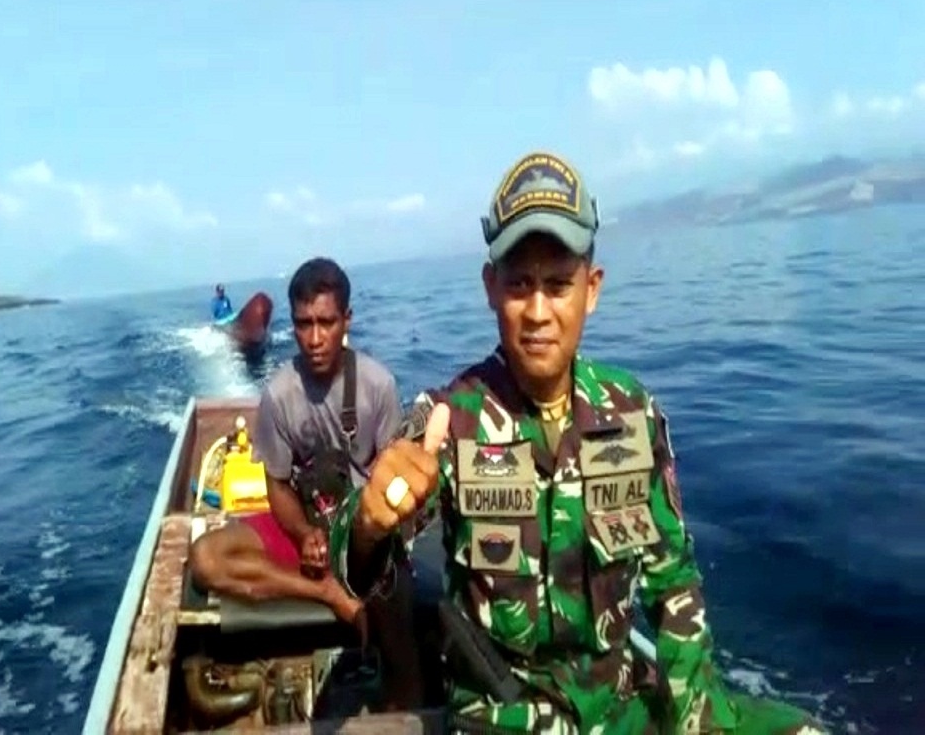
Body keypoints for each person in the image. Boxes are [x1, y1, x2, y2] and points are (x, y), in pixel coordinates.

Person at [327, 152, 829, 734]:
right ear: (491, 289)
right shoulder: (450, 420)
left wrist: (696, 715)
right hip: (504, 718)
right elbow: (352, 564)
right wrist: (368, 526)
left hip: (620, 711)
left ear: (591, 289)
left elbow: (673, 582)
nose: (538, 313)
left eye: (558, 285)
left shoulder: (631, 411)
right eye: (519, 284)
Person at [190, 257, 424, 710]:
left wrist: (367, 538)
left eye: (326, 323)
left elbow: (391, 480)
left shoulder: (377, 386)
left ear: (346, 321)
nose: (315, 339)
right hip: (306, 521)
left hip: (362, 533)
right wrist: (302, 534)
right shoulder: (279, 395)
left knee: (401, 623)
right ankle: (324, 591)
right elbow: (276, 485)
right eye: (303, 324)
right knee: (206, 558)